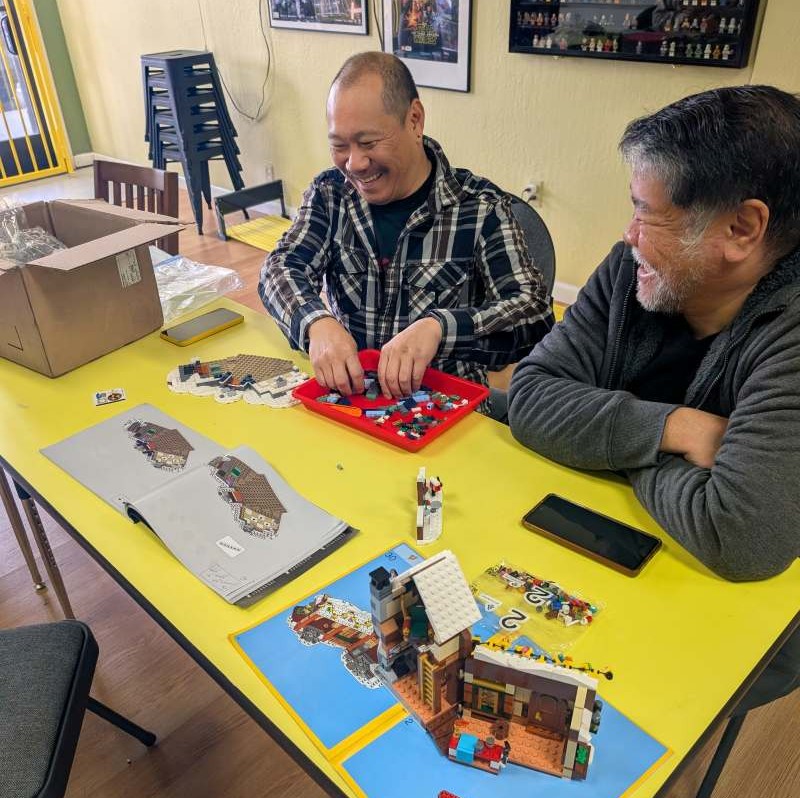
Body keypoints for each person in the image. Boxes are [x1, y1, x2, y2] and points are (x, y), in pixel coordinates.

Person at [508, 85, 799, 712]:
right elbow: (529, 398)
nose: (628, 233)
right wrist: (678, 429)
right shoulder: (632, 269)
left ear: (742, 229)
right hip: (597, 548)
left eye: (647, 212)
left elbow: (741, 536)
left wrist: (609, 439)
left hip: (722, 622)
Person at [259, 51, 553, 402]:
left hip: (444, 409)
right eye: (339, 146)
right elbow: (280, 268)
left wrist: (439, 328)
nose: (354, 164)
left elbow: (534, 313)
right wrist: (316, 323)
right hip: (351, 402)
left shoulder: (481, 209)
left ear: (414, 120)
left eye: (368, 143)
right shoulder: (330, 194)